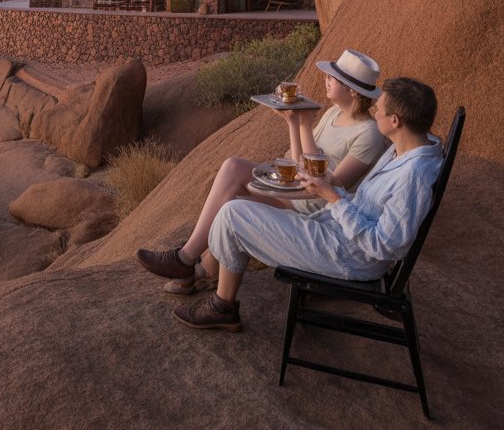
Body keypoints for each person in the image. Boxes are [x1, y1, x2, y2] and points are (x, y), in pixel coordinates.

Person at [171, 77, 441, 331]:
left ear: (396, 121)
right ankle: (213, 286)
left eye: (380, 108)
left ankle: (222, 306)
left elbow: (384, 245)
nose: (376, 111)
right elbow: (366, 205)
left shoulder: (412, 175)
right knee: (239, 206)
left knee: (233, 213)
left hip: (349, 254)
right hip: (337, 232)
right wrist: (331, 187)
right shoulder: (405, 150)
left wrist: (333, 197)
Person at [136, 49, 386, 293]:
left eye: (334, 77)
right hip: (295, 192)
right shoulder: (333, 114)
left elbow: (329, 187)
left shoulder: (368, 134)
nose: (326, 79)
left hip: (314, 209)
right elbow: (300, 163)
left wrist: (306, 125)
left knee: (233, 205)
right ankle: (188, 261)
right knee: (233, 167)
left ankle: (192, 267)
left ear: (352, 91)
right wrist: (293, 122)